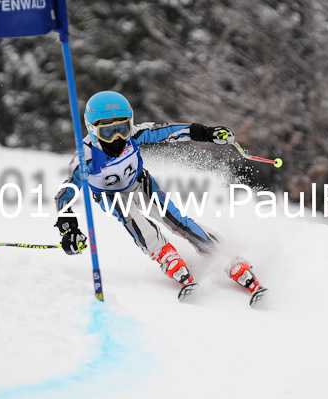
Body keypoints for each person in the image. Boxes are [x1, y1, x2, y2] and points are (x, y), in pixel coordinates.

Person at [54, 91, 267, 305]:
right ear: (92, 130)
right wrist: (69, 229)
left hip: (141, 183)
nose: (117, 138)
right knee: (138, 223)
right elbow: (66, 194)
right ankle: (166, 256)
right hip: (111, 196)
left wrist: (207, 133)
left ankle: (225, 255)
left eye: (123, 129)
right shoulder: (86, 157)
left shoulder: (135, 135)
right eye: (108, 132)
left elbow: (169, 131)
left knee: (177, 221)